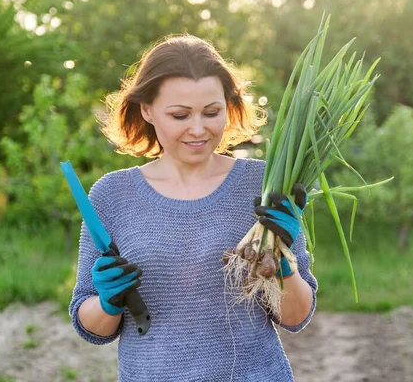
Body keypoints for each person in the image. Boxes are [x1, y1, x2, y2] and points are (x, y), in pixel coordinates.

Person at [69, 34, 317, 381]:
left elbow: (296, 318)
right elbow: (91, 326)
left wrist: (284, 263)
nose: (198, 129)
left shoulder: (265, 186)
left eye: (212, 112)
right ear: (147, 110)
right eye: (180, 115)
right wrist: (108, 301)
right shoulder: (112, 195)